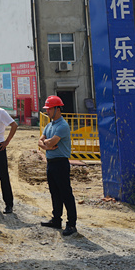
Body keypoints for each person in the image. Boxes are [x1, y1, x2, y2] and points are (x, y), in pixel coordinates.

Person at [38, 95, 77, 236]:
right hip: (51, 163)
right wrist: (46, 146)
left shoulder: (63, 126)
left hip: (61, 163)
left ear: (57, 109)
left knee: (65, 193)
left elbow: (51, 142)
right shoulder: (50, 125)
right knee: (54, 192)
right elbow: (41, 141)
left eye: (49, 109)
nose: (47, 111)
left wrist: (46, 144)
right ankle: (56, 219)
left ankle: (71, 224)